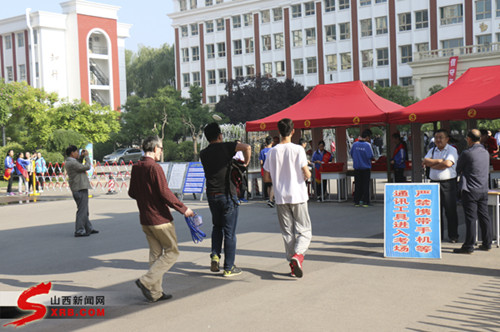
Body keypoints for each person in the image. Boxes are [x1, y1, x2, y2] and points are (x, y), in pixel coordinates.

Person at [128, 136, 194, 302]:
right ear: (156, 148)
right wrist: (183, 209)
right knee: (172, 251)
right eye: (161, 148)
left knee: (156, 254)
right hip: (160, 219)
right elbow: (165, 193)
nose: (161, 151)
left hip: (145, 218)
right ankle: (146, 281)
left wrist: (146, 198)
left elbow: (132, 193)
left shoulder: (136, 167)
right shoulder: (154, 168)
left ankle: (155, 293)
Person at [200, 123, 251, 277]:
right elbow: (247, 147)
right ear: (220, 135)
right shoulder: (226, 147)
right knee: (229, 232)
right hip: (227, 195)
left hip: (211, 195)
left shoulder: (203, 153)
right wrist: (246, 163)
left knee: (217, 226)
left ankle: (215, 255)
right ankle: (229, 267)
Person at [263, 118, 312, 278]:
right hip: (297, 194)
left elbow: (266, 178)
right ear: (293, 131)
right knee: (305, 231)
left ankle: (292, 265)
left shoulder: (272, 152)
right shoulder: (298, 149)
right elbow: (306, 172)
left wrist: (280, 178)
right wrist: (306, 174)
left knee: (287, 233)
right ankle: (298, 255)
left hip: (281, 197)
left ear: (279, 132)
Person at [454, 130, 493, 254]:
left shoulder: (467, 153)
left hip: (470, 189)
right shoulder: (485, 152)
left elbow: (458, 168)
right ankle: (487, 243)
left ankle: (469, 245)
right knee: (484, 216)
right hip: (483, 188)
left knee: (471, 218)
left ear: (469, 139)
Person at [422, 129, 459, 243]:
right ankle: (438, 235)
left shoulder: (451, 150)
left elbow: (447, 164)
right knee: (435, 211)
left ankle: (453, 236)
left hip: (448, 184)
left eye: (440, 137)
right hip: (434, 183)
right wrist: (439, 161)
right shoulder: (432, 150)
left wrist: (433, 164)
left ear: (447, 139)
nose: (438, 140)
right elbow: (425, 161)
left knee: (450, 210)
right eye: (436, 137)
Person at [65, 145, 98, 237]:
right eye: (76, 152)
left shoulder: (71, 161)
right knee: (82, 210)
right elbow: (86, 167)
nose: (78, 154)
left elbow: (78, 164)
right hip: (79, 188)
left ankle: (88, 228)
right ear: (72, 153)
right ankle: (79, 230)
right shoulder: (72, 162)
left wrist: (82, 157)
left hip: (79, 187)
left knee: (84, 210)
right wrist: (87, 157)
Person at [350, 129, 373, 207]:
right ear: (367, 137)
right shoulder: (367, 145)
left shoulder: (355, 144)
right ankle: (365, 202)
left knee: (358, 185)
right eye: (369, 138)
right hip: (366, 168)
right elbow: (370, 156)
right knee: (365, 185)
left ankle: (357, 201)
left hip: (357, 168)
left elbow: (351, 154)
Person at [259, 136, 274, 207]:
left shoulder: (262, 151)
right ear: (272, 142)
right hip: (273, 169)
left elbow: (261, 162)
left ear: (265, 142)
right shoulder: (274, 150)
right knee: (273, 184)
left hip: (265, 169)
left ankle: (269, 198)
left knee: (268, 185)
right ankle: (271, 199)